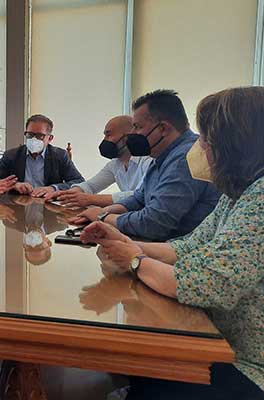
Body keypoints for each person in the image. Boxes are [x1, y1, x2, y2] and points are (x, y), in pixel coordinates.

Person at [80, 87, 264, 400]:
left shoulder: (259, 198)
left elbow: (209, 283)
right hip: (217, 340)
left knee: (141, 360)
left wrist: (135, 259)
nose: (201, 146)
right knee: (140, 364)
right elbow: (188, 246)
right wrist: (125, 243)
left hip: (245, 365)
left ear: (234, 145)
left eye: (207, 139)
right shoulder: (237, 194)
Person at [71, 90, 220, 241]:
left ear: (163, 128)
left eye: (137, 127)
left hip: (179, 249)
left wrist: (102, 217)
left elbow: (153, 224)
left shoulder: (186, 158)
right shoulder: (161, 154)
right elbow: (138, 199)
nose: (132, 134)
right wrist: (103, 213)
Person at [47, 115, 152, 207]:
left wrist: (90, 199)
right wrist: (67, 194)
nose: (105, 140)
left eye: (109, 135)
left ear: (127, 137)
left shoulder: (148, 161)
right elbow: (90, 185)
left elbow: (140, 195)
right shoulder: (114, 164)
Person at [0, 114, 85, 198]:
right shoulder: (11, 155)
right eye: (30, 135)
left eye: (39, 136)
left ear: (50, 138)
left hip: (48, 203)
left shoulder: (60, 156)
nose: (33, 139)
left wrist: (53, 188)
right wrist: (14, 185)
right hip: (18, 203)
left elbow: (79, 182)